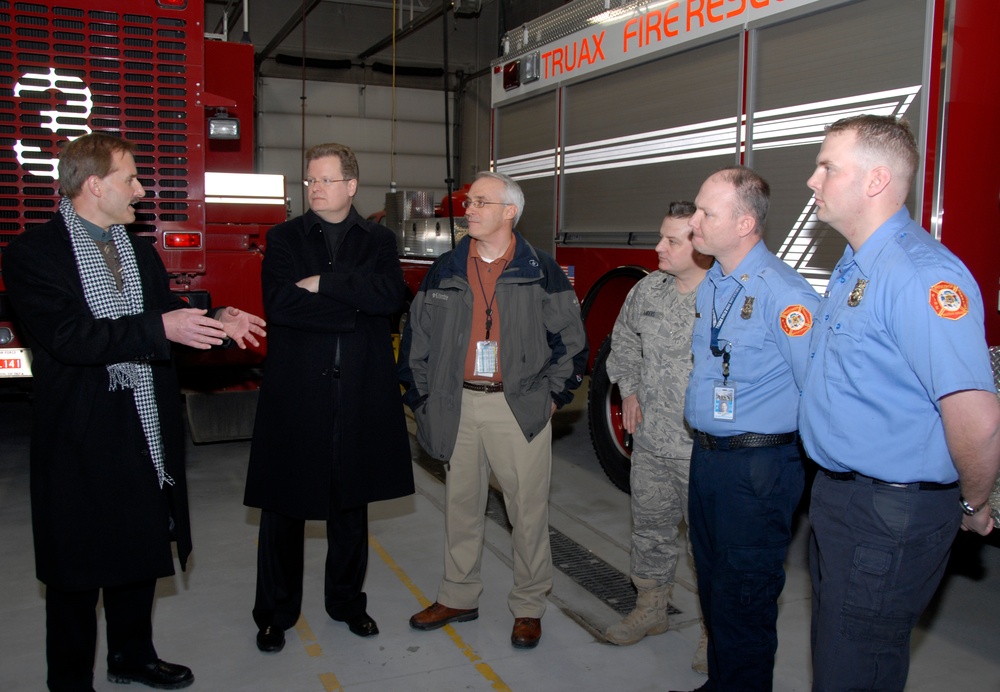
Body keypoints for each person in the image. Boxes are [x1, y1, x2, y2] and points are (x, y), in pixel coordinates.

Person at [3, 132, 266, 691]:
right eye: (130, 179)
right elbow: (69, 337)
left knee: (140, 546)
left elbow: (167, 311)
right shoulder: (33, 253)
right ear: (94, 185)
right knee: (76, 568)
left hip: (143, 424)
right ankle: (70, 680)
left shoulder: (137, 249)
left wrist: (219, 319)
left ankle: (132, 655)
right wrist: (159, 327)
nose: (141, 191)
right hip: (81, 430)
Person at [800, 115, 1000, 691]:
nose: (813, 181)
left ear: (876, 181)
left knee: (854, 670)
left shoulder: (919, 275)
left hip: (888, 514)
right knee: (845, 657)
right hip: (845, 501)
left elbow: (978, 420)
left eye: (827, 167)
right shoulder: (859, 264)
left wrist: (974, 504)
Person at [398, 171, 587, 649]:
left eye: (481, 201)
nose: (469, 209)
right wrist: (421, 397)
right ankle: (458, 595)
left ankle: (528, 605)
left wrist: (549, 398)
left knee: (527, 512)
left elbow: (571, 344)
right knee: (460, 507)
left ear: (510, 212)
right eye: (468, 202)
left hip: (516, 406)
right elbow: (415, 340)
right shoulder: (445, 269)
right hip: (455, 404)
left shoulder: (540, 270)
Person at [243, 142, 414, 654]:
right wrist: (353, 308)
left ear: (351, 186)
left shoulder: (380, 240)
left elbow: (391, 297)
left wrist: (325, 283)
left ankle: (346, 603)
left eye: (325, 180)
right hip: (297, 392)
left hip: (359, 391)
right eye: (310, 180)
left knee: (350, 507)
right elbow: (281, 304)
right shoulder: (284, 237)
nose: (315, 188)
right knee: (283, 508)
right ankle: (275, 613)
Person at [674, 166, 819, 692]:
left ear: (744, 223)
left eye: (706, 213)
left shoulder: (787, 295)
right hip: (711, 458)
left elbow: (818, 391)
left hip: (759, 470)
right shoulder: (714, 284)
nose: (694, 222)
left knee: (746, 600)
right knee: (714, 589)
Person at [603, 202, 712, 670]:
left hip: (704, 452)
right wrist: (627, 389)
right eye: (660, 237)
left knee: (708, 545)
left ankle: (714, 630)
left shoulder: (726, 299)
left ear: (701, 244)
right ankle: (650, 609)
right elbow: (624, 341)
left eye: (671, 240)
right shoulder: (648, 289)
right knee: (650, 531)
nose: (657, 247)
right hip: (650, 444)